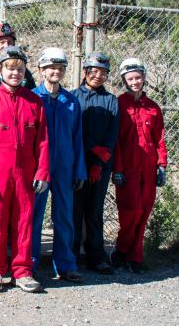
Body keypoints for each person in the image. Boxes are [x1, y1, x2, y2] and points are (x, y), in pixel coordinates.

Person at [0, 46, 49, 293]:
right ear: (0, 69)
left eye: (19, 68)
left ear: (25, 71)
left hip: (26, 173)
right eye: (10, 68)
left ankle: (23, 271)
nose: (15, 73)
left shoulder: (34, 101)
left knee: (24, 221)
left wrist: (42, 173)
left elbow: (43, 141)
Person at [31, 48, 87, 282]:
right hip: (39, 166)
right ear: (42, 70)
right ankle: (29, 263)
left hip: (65, 165)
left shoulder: (71, 101)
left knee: (64, 215)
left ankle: (65, 264)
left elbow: (77, 138)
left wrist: (79, 169)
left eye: (61, 68)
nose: (56, 71)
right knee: (34, 215)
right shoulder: (32, 98)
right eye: (51, 67)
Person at [111, 58, 167, 274]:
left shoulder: (152, 107)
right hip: (127, 168)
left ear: (143, 78)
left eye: (138, 77)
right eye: (130, 78)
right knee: (130, 211)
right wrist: (117, 169)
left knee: (144, 211)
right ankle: (122, 250)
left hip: (148, 166)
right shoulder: (119, 104)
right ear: (124, 80)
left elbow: (159, 137)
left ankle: (135, 257)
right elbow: (114, 139)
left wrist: (161, 164)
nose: (135, 81)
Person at [72, 52, 119, 275]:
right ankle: (71, 255)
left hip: (100, 166)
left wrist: (99, 162)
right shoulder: (73, 98)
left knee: (94, 210)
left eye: (103, 73)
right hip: (77, 162)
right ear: (85, 72)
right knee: (75, 209)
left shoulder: (111, 101)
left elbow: (112, 134)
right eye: (94, 71)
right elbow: (74, 131)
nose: (98, 76)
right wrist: (90, 148)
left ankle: (96, 256)